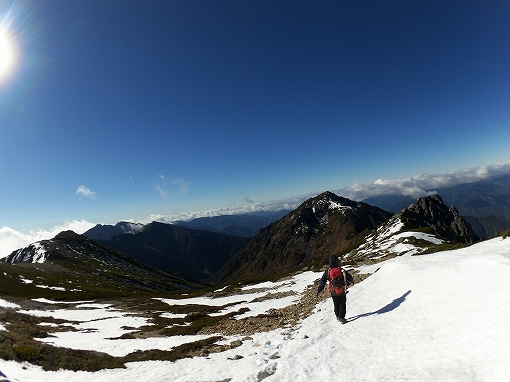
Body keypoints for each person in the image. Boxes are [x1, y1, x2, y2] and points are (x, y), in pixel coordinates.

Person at [317, 255, 354, 324]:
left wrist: (320, 289)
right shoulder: (341, 270)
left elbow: (323, 280)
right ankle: (342, 317)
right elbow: (349, 277)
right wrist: (352, 282)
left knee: (336, 303)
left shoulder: (327, 271)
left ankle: (337, 316)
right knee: (342, 303)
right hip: (342, 290)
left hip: (333, 291)